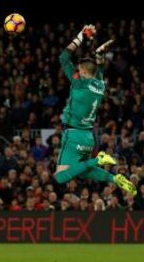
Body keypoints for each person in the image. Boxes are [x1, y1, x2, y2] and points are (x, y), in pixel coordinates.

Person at [54, 25, 136, 196]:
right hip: (87, 137)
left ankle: (97, 160)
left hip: (74, 134)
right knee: (80, 170)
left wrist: (79, 38)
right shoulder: (100, 84)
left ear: (83, 72)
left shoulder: (79, 83)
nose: (77, 71)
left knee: (60, 177)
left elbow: (63, 57)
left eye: (79, 69)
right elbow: (99, 69)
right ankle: (114, 179)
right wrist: (99, 54)